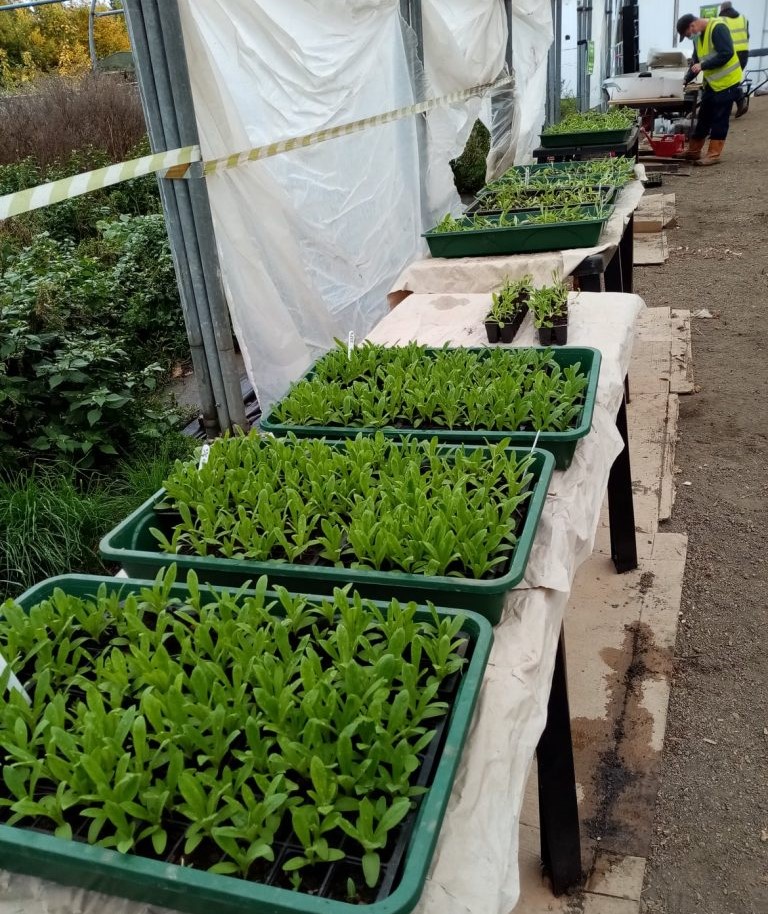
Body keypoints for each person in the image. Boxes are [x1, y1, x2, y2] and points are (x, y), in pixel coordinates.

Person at [677, 13, 743, 166]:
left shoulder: (718, 28)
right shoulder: (698, 37)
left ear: (693, 26)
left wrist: (703, 66)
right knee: (704, 116)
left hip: (727, 82)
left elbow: (727, 53)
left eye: (688, 35)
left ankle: (713, 154)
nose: (690, 38)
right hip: (712, 83)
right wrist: (685, 80)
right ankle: (693, 152)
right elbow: (696, 61)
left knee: (720, 118)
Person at [720, 1, 749, 116]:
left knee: (728, 80)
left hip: (731, 53)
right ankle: (739, 103)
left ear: (722, 9)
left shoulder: (721, 20)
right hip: (744, 53)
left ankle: (740, 101)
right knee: (733, 79)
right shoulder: (743, 18)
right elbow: (747, 35)